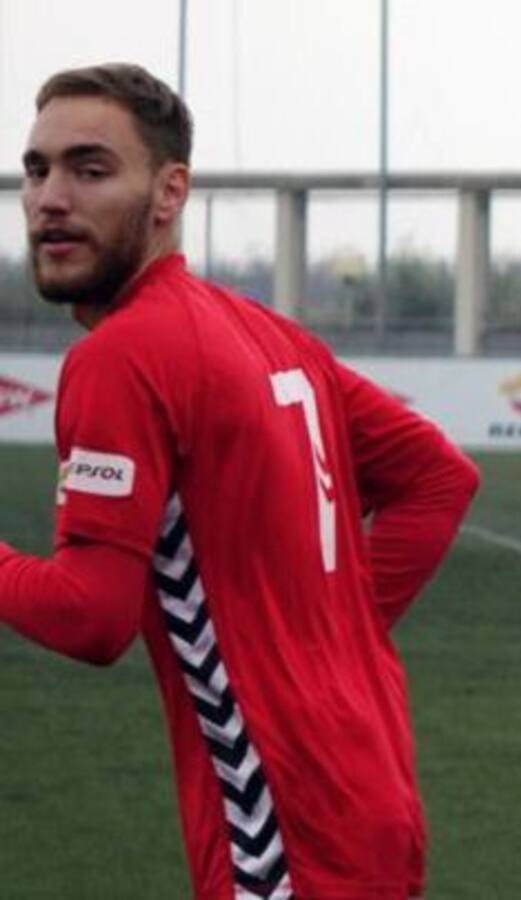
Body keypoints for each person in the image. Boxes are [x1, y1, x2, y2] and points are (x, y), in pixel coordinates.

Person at [2, 63, 479, 899]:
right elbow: (440, 478)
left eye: (90, 168)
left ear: (169, 191)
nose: (49, 198)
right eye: (36, 169)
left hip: (281, 815)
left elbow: (88, 617)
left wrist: (311, 638)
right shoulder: (266, 333)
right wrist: (328, 633)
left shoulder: (121, 356)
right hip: (367, 787)